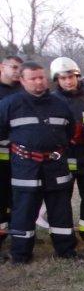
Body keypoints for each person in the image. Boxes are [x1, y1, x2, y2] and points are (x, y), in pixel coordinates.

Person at [0, 61, 79, 263]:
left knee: (61, 210)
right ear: (22, 81)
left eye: (41, 77)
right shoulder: (10, 104)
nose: (38, 82)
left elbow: (69, 131)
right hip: (25, 168)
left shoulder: (60, 104)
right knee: (23, 211)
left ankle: (66, 251)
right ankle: (20, 255)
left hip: (56, 165)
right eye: (33, 78)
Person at [50, 57, 84, 244]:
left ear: (78, 76)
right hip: (63, 158)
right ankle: (64, 233)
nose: (68, 81)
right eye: (63, 78)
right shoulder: (52, 102)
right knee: (61, 197)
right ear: (56, 80)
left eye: (71, 77)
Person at [0, 55, 22, 251]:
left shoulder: (23, 91)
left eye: (19, 68)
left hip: (19, 157)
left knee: (17, 199)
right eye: (13, 67)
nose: (16, 71)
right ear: (2, 67)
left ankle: (17, 234)